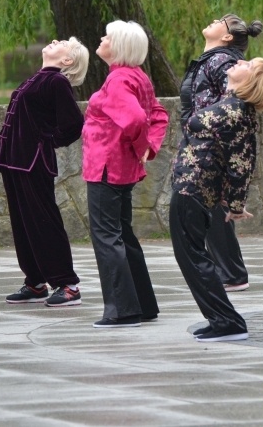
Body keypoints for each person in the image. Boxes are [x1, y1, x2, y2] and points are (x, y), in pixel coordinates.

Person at [170, 58, 263, 342]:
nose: (239, 61)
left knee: (193, 258)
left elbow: (241, 163)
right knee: (193, 257)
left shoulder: (237, 111)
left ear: (251, 79)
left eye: (249, 63)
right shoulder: (230, 105)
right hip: (191, 189)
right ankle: (221, 318)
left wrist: (234, 205)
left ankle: (227, 321)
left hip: (193, 190)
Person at [0, 38, 89, 306]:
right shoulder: (37, 79)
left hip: (33, 161)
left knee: (44, 221)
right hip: (14, 160)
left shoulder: (56, 82)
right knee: (23, 223)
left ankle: (68, 285)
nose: (55, 40)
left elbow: (74, 124)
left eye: (63, 43)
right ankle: (35, 282)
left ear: (68, 61)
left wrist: (47, 141)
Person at [82, 20, 168, 328]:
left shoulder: (118, 79)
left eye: (107, 36)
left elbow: (134, 118)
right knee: (123, 235)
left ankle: (122, 309)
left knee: (107, 237)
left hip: (106, 165)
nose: (102, 39)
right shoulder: (137, 77)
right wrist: (148, 148)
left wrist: (144, 145)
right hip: (123, 166)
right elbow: (157, 115)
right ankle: (142, 304)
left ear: (118, 46)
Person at [178, 14, 263, 293]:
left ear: (227, 37)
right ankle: (229, 272)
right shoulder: (212, 59)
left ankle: (230, 273)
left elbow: (234, 105)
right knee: (213, 209)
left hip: (210, 146)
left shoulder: (222, 61)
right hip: (203, 144)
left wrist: (209, 134)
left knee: (213, 208)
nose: (213, 20)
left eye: (220, 21)